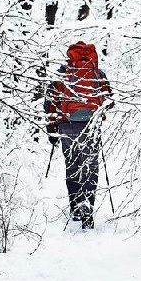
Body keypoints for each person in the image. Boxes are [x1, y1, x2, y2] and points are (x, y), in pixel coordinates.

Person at [46, 42, 111, 229]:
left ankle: (75, 207)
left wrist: (52, 129)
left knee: (72, 165)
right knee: (90, 167)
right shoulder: (98, 74)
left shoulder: (62, 74)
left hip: (67, 126)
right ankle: (88, 209)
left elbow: (50, 104)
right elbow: (109, 100)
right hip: (91, 125)